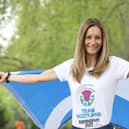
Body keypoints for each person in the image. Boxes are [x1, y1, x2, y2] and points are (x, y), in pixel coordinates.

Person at [0, 18, 129, 129]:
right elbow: (39, 78)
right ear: (82, 39)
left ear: (103, 41)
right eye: (88, 37)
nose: (93, 42)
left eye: (97, 38)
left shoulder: (114, 65)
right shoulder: (71, 67)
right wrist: (8, 76)